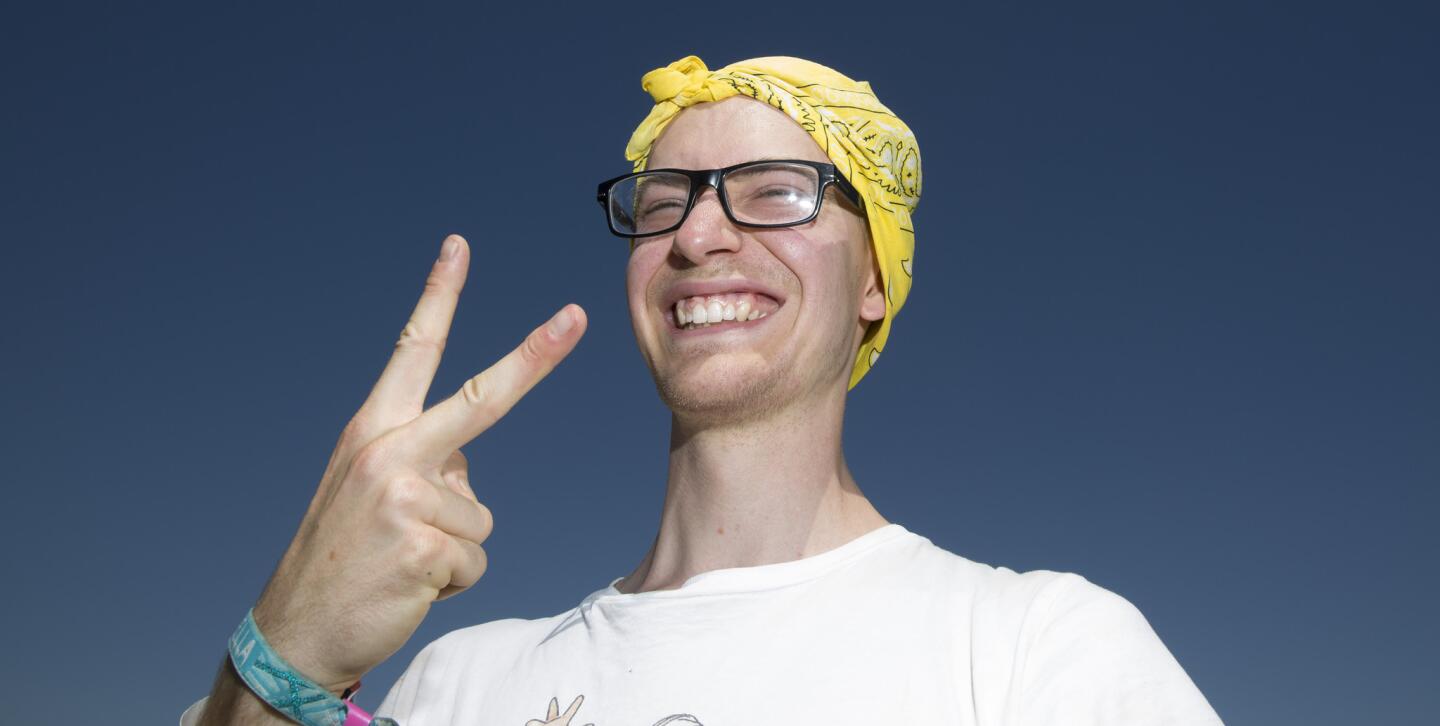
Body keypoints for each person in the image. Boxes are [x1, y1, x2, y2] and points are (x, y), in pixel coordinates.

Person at [185, 55, 1223, 726]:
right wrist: (281, 663)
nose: (697, 234)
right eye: (664, 200)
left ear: (875, 280)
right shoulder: (462, 684)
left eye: (776, 192)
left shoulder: (1032, 652)